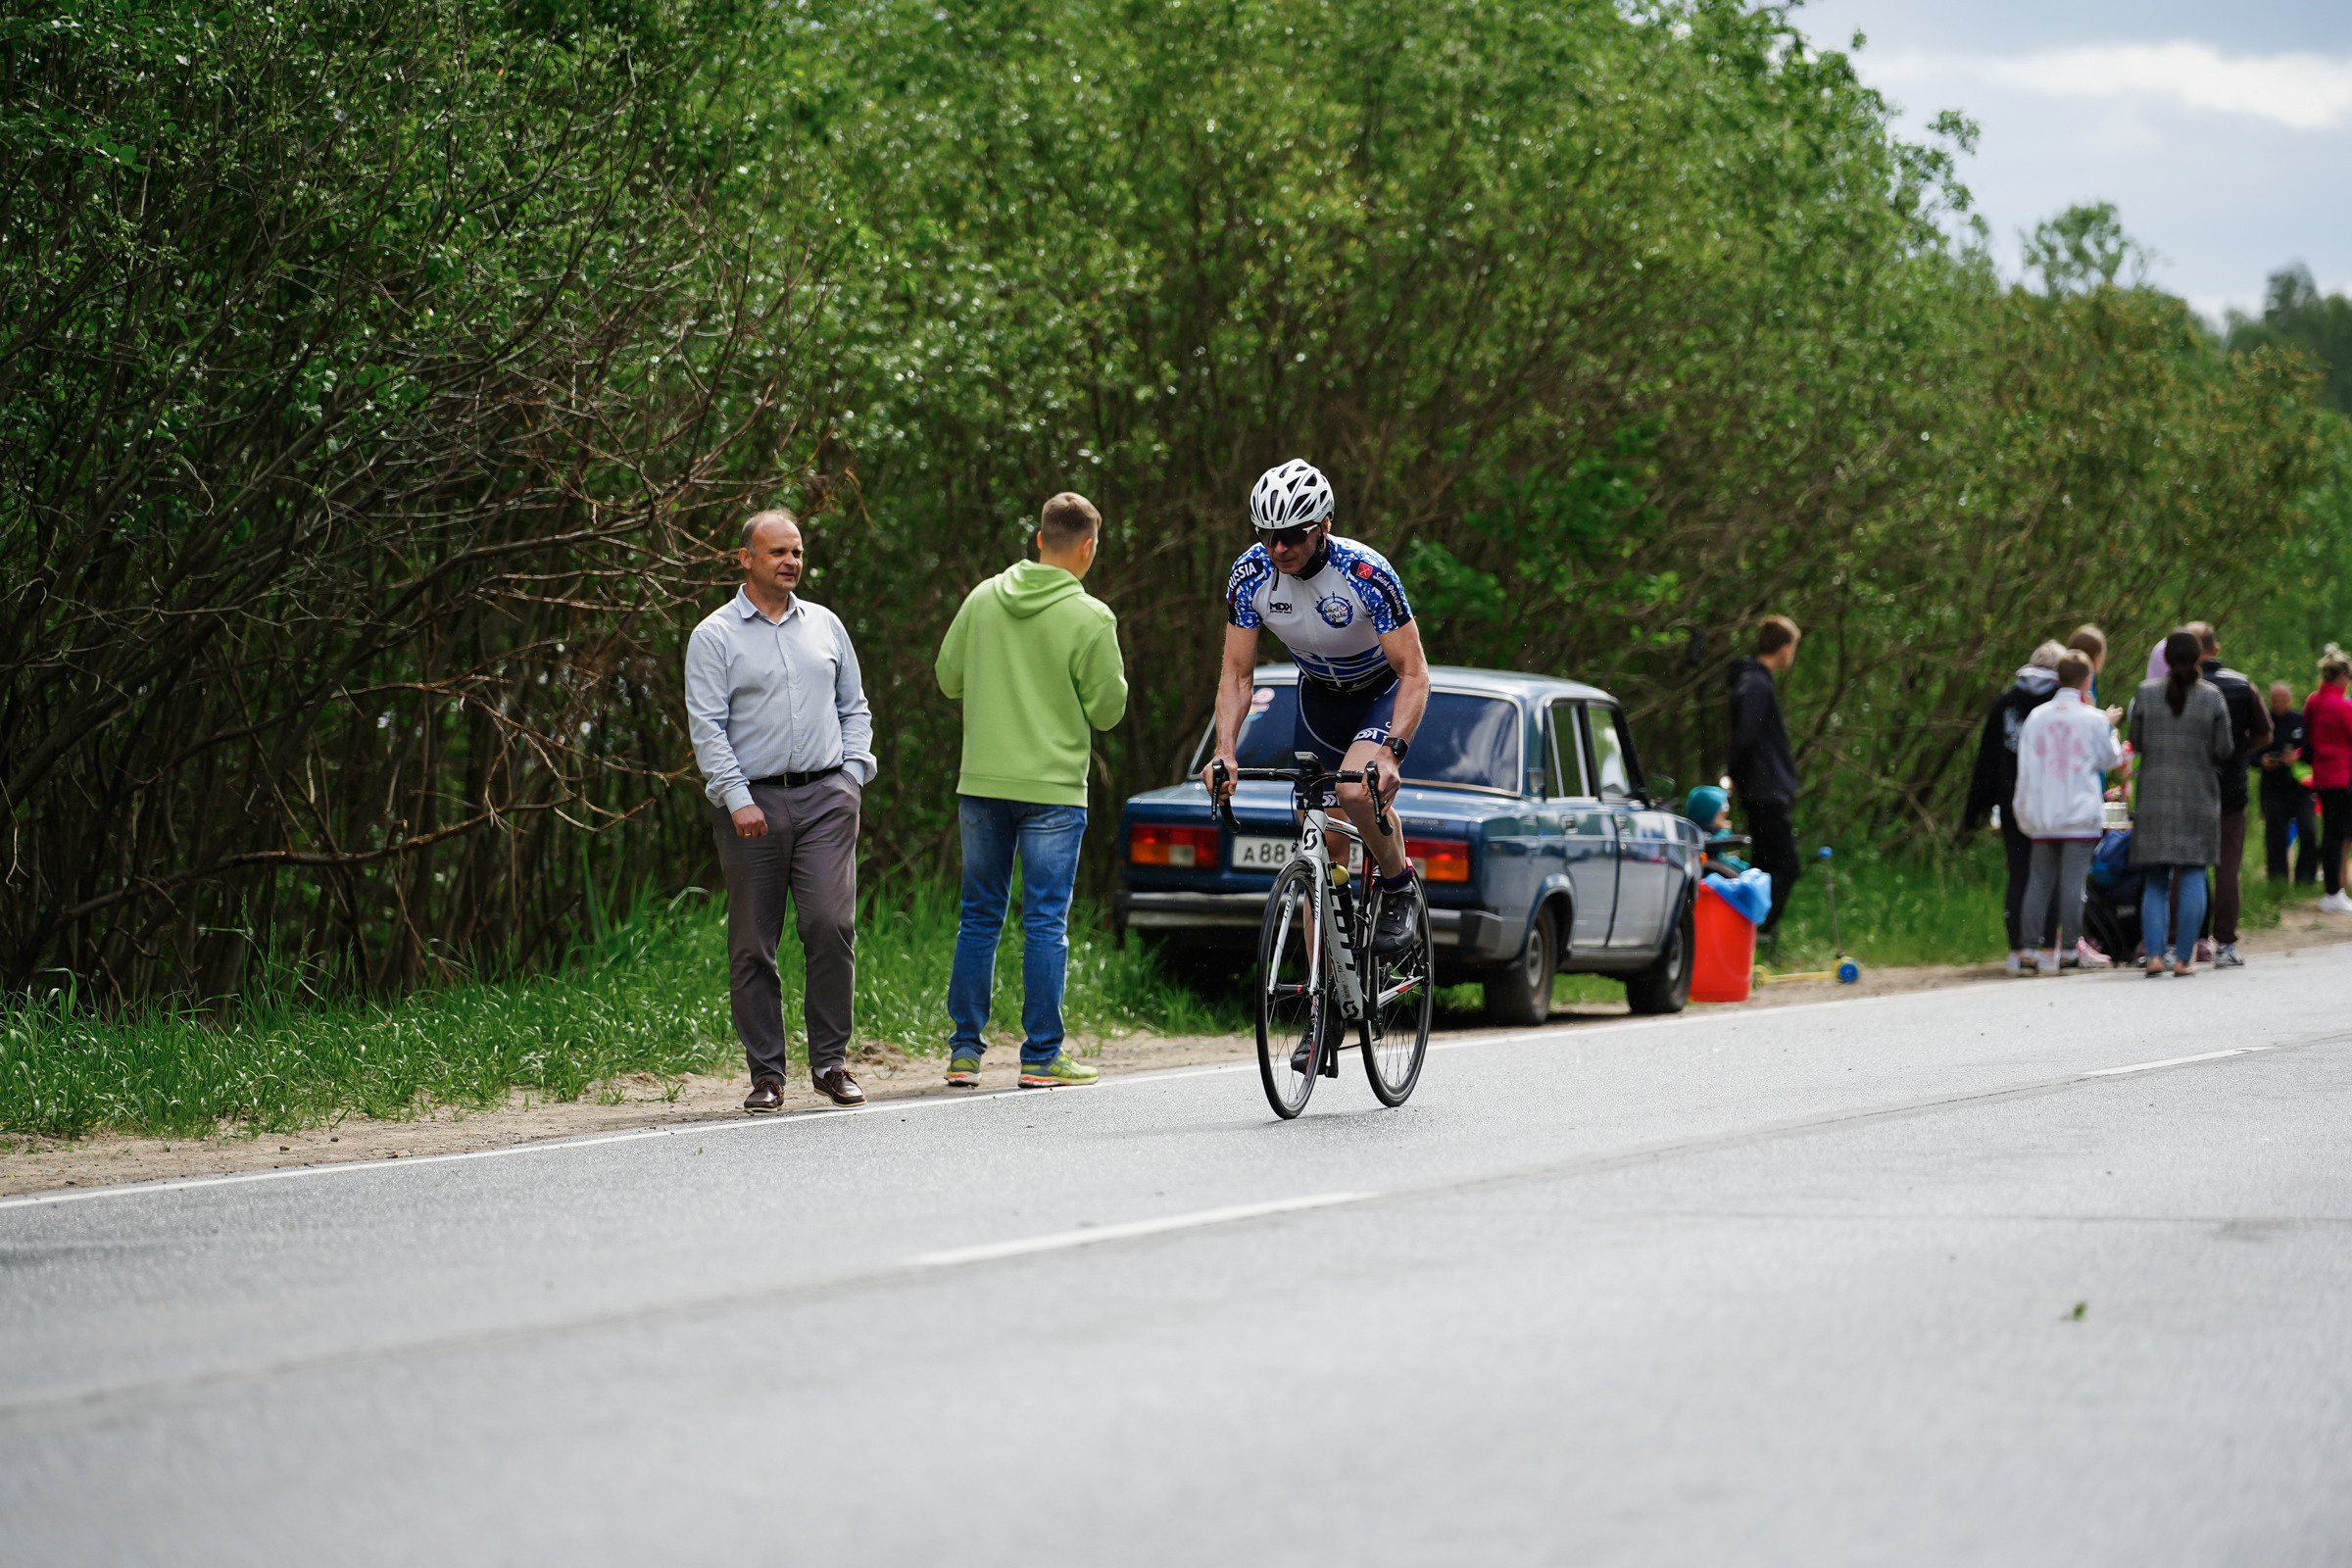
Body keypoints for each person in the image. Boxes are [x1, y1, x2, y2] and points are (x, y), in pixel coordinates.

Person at [934, 493, 1130, 1089]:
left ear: (1039, 538)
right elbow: (1108, 712)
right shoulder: (1091, 617)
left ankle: (965, 1053)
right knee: (1045, 922)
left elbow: (947, 679)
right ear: (1088, 547)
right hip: (1053, 790)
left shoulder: (983, 598)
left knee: (979, 917)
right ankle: (1042, 1057)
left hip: (983, 783)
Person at [685, 509, 878, 1111]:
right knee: (752, 943)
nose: (792, 562)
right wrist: (737, 798)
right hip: (752, 805)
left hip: (826, 797)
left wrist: (852, 777)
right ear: (746, 559)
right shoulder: (714, 636)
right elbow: (708, 728)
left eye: (796, 552)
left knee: (830, 925)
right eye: (778, 553)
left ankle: (831, 1063)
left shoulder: (824, 625)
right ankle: (767, 1075)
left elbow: (856, 707)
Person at [1202, 459, 1431, 960]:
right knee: (1322, 847)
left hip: (1380, 691)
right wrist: (1225, 751)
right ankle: (1319, 1010)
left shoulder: (1366, 573)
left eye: (1293, 535)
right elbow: (1238, 674)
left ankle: (1397, 884)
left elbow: (1415, 671)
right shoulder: (1251, 573)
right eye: (1268, 535)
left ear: (1325, 525)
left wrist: (1391, 752)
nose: (1279, 548)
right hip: (1318, 698)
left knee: (1354, 789)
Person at [2129, 630, 2233, 976]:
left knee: (2155, 881)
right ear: (2200, 657)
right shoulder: (2212, 697)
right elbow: (2224, 749)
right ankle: (2185, 958)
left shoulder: (2145, 694)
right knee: (2192, 874)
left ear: (2167, 658)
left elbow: (2137, 742)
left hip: (2154, 797)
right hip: (2198, 796)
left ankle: (2155, 956)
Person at [2012, 651, 2124, 974]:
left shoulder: (2037, 717)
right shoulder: (2094, 719)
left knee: (2039, 882)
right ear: (2087, 680)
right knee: (2074, 885)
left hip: (2044, 815)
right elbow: (2111, 759)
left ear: (2058, 678)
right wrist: (2111, 730)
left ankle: (2029, 949)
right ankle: (2070, 950)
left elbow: (2027, 767)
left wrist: (2024, 812)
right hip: (2079, 814)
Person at [1965, 640, 2066, 974]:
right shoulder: (2061, 705)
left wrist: (1977, 808)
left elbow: (1988, 758)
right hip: (2051, 801)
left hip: (2012, 802)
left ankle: (2019, 949)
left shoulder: (2006, 702)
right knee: (2048, 876)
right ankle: (2048, 948)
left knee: (2019, 873)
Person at [2187, 622, 2270, 966]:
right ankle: (2224, 942)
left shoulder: (2178, 686)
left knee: (2188, 867)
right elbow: (2265, 734)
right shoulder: (2241, 685)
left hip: (2190, 789)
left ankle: (2185, 941)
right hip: (2231, 787)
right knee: (2227, 869)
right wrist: (2239, 751)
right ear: (2215, 649)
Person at [1727, 615, 1802, 946]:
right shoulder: (1755, 684)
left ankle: (1748, 934)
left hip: (1765, 788)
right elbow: (1744, 736)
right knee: (1786, 865)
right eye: (1794, 647)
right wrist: (1732, 775)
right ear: (1785, 649)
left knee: (1763, 866)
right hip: (1765, 791)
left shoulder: (1757, 681)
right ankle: (1759, 933)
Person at [2256, 680, 2319, 885]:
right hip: (2273, 787)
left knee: (2308, 830)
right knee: (2276, 835)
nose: (2280, 702)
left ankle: (2305, 878)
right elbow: (2251, 753)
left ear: (2290, 699)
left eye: (2284, 698)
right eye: (2276, 699)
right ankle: (2278, 880)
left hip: (2301, 787)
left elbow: (2312, 752)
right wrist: (2263, 761)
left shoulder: (2301, 721)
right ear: (2269, 700)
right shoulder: (2263, 722)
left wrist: (2297, 758)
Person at [2308, 646, 2352, 913]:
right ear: (2341, 677)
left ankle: (2333, 889)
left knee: (2331, 832)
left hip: (2322, 775)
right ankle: (2334, 892)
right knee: (2339, 833)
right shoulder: (2342, 705)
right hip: (2341, 775)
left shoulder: (2314, 701)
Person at [1684, 784, 1750, 877]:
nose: (1725, 819)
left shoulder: (1706, 831)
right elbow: (1712, 847)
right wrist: (1725, 832)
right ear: (1707, 814)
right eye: (1722, 815)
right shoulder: (1698, 833)